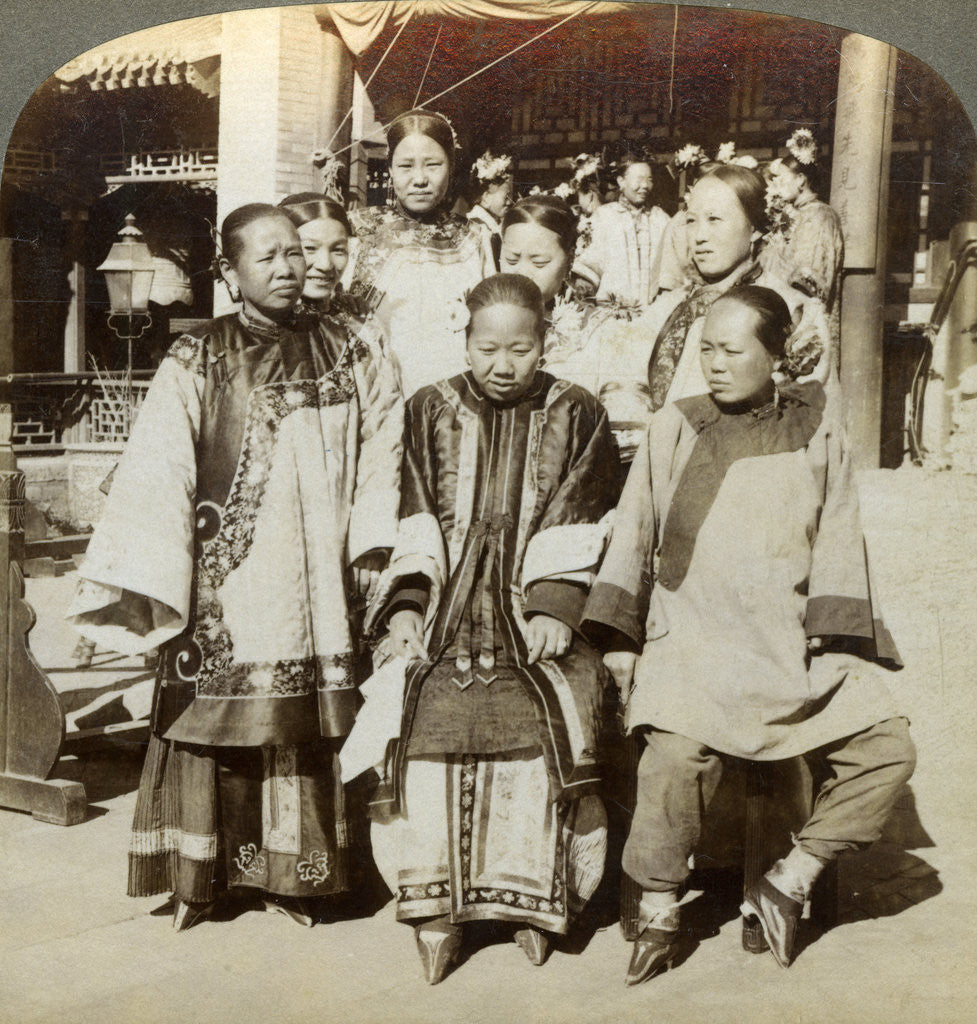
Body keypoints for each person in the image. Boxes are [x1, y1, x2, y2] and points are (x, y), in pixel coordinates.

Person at [67, 203, 404, 931]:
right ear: (228, 272)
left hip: (318, 578)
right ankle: (206, 880)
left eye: (297, 253)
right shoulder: (199, 356)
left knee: (304, 725)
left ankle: (300, 879)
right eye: (268, 257)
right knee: (216, 721)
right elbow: (158, 468)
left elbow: (385, 446)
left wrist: (371, 543)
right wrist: (155, 580)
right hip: (230, 581)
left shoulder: (351, 347)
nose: (290, 268)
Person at [582, 285, 915, 985]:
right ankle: (661, 906)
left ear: (777, 356)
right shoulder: (677, 424)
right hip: (693, 640)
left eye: (732, 350)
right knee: (674, 759)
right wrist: (621, 636)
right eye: (705, 348)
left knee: (887, 746)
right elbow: (634, 527)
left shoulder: (817, 423)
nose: (713, 363)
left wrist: (833, 641)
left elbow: (836, 534)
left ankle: (790, 878)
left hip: (787, 644)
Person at [362, 273, 621, 984]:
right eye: (486, 348)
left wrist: (553, 605)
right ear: (464, 340)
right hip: (447, 603)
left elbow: (583, 515)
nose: (501, 366)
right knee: (418, 714)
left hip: (531, 608)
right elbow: (411, 513)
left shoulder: (578, 413)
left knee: (546, 725)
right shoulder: (428, 408)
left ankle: (534, 903)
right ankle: (434, 907)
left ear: (545, 342)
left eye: (519, 349)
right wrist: (408, 607)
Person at [602, 164, 832, 420]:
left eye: (714, 219)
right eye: (691, 220)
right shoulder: (670, 305)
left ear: (755, 228)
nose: (699, 236)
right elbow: (623, 376)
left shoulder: (792, 310)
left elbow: (807, 417)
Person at [347, 109, 495, 397]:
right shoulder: (359, 231)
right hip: (381, 391)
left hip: (458, 390)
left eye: (433, 165)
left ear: (451, 167)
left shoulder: (474, 238)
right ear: (390, 169)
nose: (420, 179)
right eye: (406, 166)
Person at [762, 129, 845, 351]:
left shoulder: (820, 215)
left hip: (804, 315)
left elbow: (810, 277)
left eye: (781, 179)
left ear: (800, 180)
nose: (776, 185)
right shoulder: (790, 214)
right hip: (780, 312)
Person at [573, 150, 670, 309]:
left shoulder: (661, 219)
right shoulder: (605, 216)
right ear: (621, 181)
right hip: (611, 314)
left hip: (653, 315)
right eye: (639, 179)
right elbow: (589, 266)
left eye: (649, 180)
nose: (645, 186)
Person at [466, 150, 514, 270]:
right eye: (506, 196)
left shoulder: (492, 226)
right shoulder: (478, 228)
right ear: (486, 198)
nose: (510, 202)